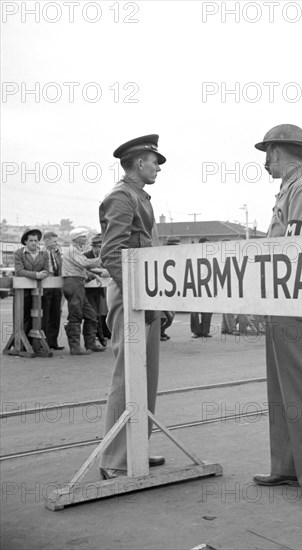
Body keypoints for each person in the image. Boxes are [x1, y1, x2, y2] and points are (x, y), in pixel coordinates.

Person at [253, 124, 302, 507]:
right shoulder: (290, 188)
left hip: (293, 297)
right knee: (280, 389)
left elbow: (293, 250)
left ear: (278, 151)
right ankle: (287, 466)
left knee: (300, 388)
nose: (265, 161)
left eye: (267, 154)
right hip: (278, 297)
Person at [98, 134, 166, 479]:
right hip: (130, 294)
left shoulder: (140, 197)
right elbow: (111, 255)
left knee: (146, 375)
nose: (158, 167)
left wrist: (158, 297)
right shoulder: (121, 197)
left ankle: (136, 448)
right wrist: (139, 292)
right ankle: (115, 458)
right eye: (155, 161)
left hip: (145, 294)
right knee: (128, 376)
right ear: (138, 162)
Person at [61, 228, 103, 355]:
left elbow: (81, 267)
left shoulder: (74, 251)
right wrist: (101, 258)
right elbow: (85, 263)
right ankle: (75, 347)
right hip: (74, 284)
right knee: (75, 315)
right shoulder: (73, 251)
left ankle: (89, 344)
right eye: (84, 237)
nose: (86, 239)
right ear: (76, 238)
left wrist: (93, 275)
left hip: (76, 283)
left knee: (91, 315)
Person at [13, 228, 51, 338]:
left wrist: (44, 274)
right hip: (22, 291)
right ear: (25, 241)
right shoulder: (19, 253)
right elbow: (19, 271)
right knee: (22, 317)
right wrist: (36, 275)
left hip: (38, 291)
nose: (34, 243)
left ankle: (33, 343)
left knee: (36, 317)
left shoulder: (44, 254)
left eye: (36, 240)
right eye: (31, 240)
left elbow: (47, 270)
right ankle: (20, 343)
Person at [84, 233, 109, 347]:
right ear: (93, 247)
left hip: (99, 290)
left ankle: (97, 336)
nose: (100, 249)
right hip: (87, 291)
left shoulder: (105, 257)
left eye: (101, 247)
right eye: (98, 247)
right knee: (93, 314)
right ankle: (98, 337)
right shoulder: (86, 256)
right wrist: (100, 271)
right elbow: (86, 268)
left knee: (99, 313)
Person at [41, 231, 64, 350]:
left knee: (56, 314)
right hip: (46, 286)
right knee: (46, 315)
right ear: (46, 241)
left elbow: (60, 267)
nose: (56, 244)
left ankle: (53, 341)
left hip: (56, 286)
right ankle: (44, 342)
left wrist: (59, 255)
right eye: (54, 241)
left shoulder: (56, 254)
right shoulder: (41, 253)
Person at [190, 238, 213, 338]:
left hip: (208, 285)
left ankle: (205, 331)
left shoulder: (211, 257)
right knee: (194, 311)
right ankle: (196, 331)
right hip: (195, 285)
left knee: (207, 311)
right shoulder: (194, 255)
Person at [160, 236, 179, 341]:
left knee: (171, 316)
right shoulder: (163, 256)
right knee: (166, 316)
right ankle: (159, 332)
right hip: (162, 290)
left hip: (171, 290)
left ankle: (162, 331)